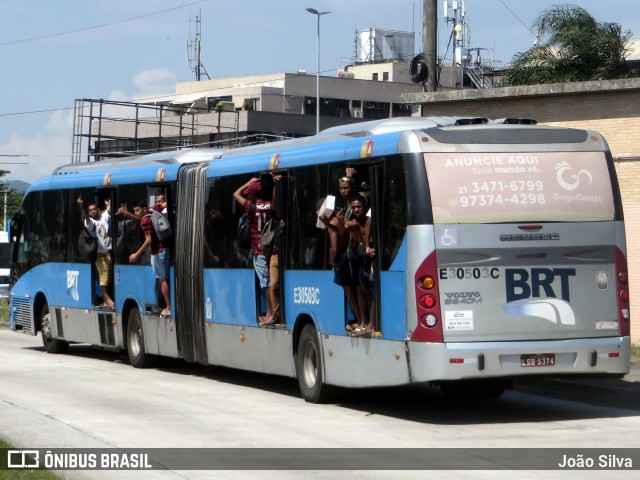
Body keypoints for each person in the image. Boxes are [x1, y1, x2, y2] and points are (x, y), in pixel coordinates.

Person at [317, 168, 364, 332]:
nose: (343, 191)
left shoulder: (338, 218)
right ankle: (361, 319)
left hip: (345, 256)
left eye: (346, 188)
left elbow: (334, 246)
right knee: (354, 289)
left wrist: (332, 261)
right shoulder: (338, 216)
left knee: (352, 290)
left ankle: (360, 319)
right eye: (341, 188)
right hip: (349, 254)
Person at [233, 177, 274, 325]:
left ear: (252, 195)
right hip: (271, 249)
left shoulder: (251, 207)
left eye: (249, 193)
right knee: (270, 282)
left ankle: (271, 313)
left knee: (265, 283)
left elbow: (236, 194)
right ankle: (271, 312)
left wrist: (247, 183)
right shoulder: (270, 206)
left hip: (259, 250)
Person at [125, 201, 172, 317]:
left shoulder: (145, 221)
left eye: (138, 210)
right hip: (165, 249)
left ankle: (168, 307)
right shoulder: (152, 210)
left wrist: (137, 254)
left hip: (157, 251)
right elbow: (163, 204)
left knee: (162, 279)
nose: (136, 213)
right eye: (134, 211)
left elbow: (149, 240)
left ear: (143, 208)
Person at [344, 193, 376, 335]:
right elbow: (361, 241)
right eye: (354, 207)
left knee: (371, 292)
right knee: (362, 290)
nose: (356, 209)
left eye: (359, 207)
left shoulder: (369, 220)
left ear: (365, 207)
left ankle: (372, 324)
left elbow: (367, 240)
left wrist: (368, 247)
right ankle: (364, 322)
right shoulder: (351, 223)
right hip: (361, 257)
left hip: (371, 259)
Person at [77, 195, 114, 309]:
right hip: (99, 255)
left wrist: (109, 204)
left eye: (94, 209)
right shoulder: (91, 222)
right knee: (104, 278)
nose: (93, 211)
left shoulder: (103, 218)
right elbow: (86, 217)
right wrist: (82, 206)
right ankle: (108, 299)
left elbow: (108, 210)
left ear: (98, 209)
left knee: (109, 278)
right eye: (90, 210)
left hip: (109, 253)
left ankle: (105, 299)